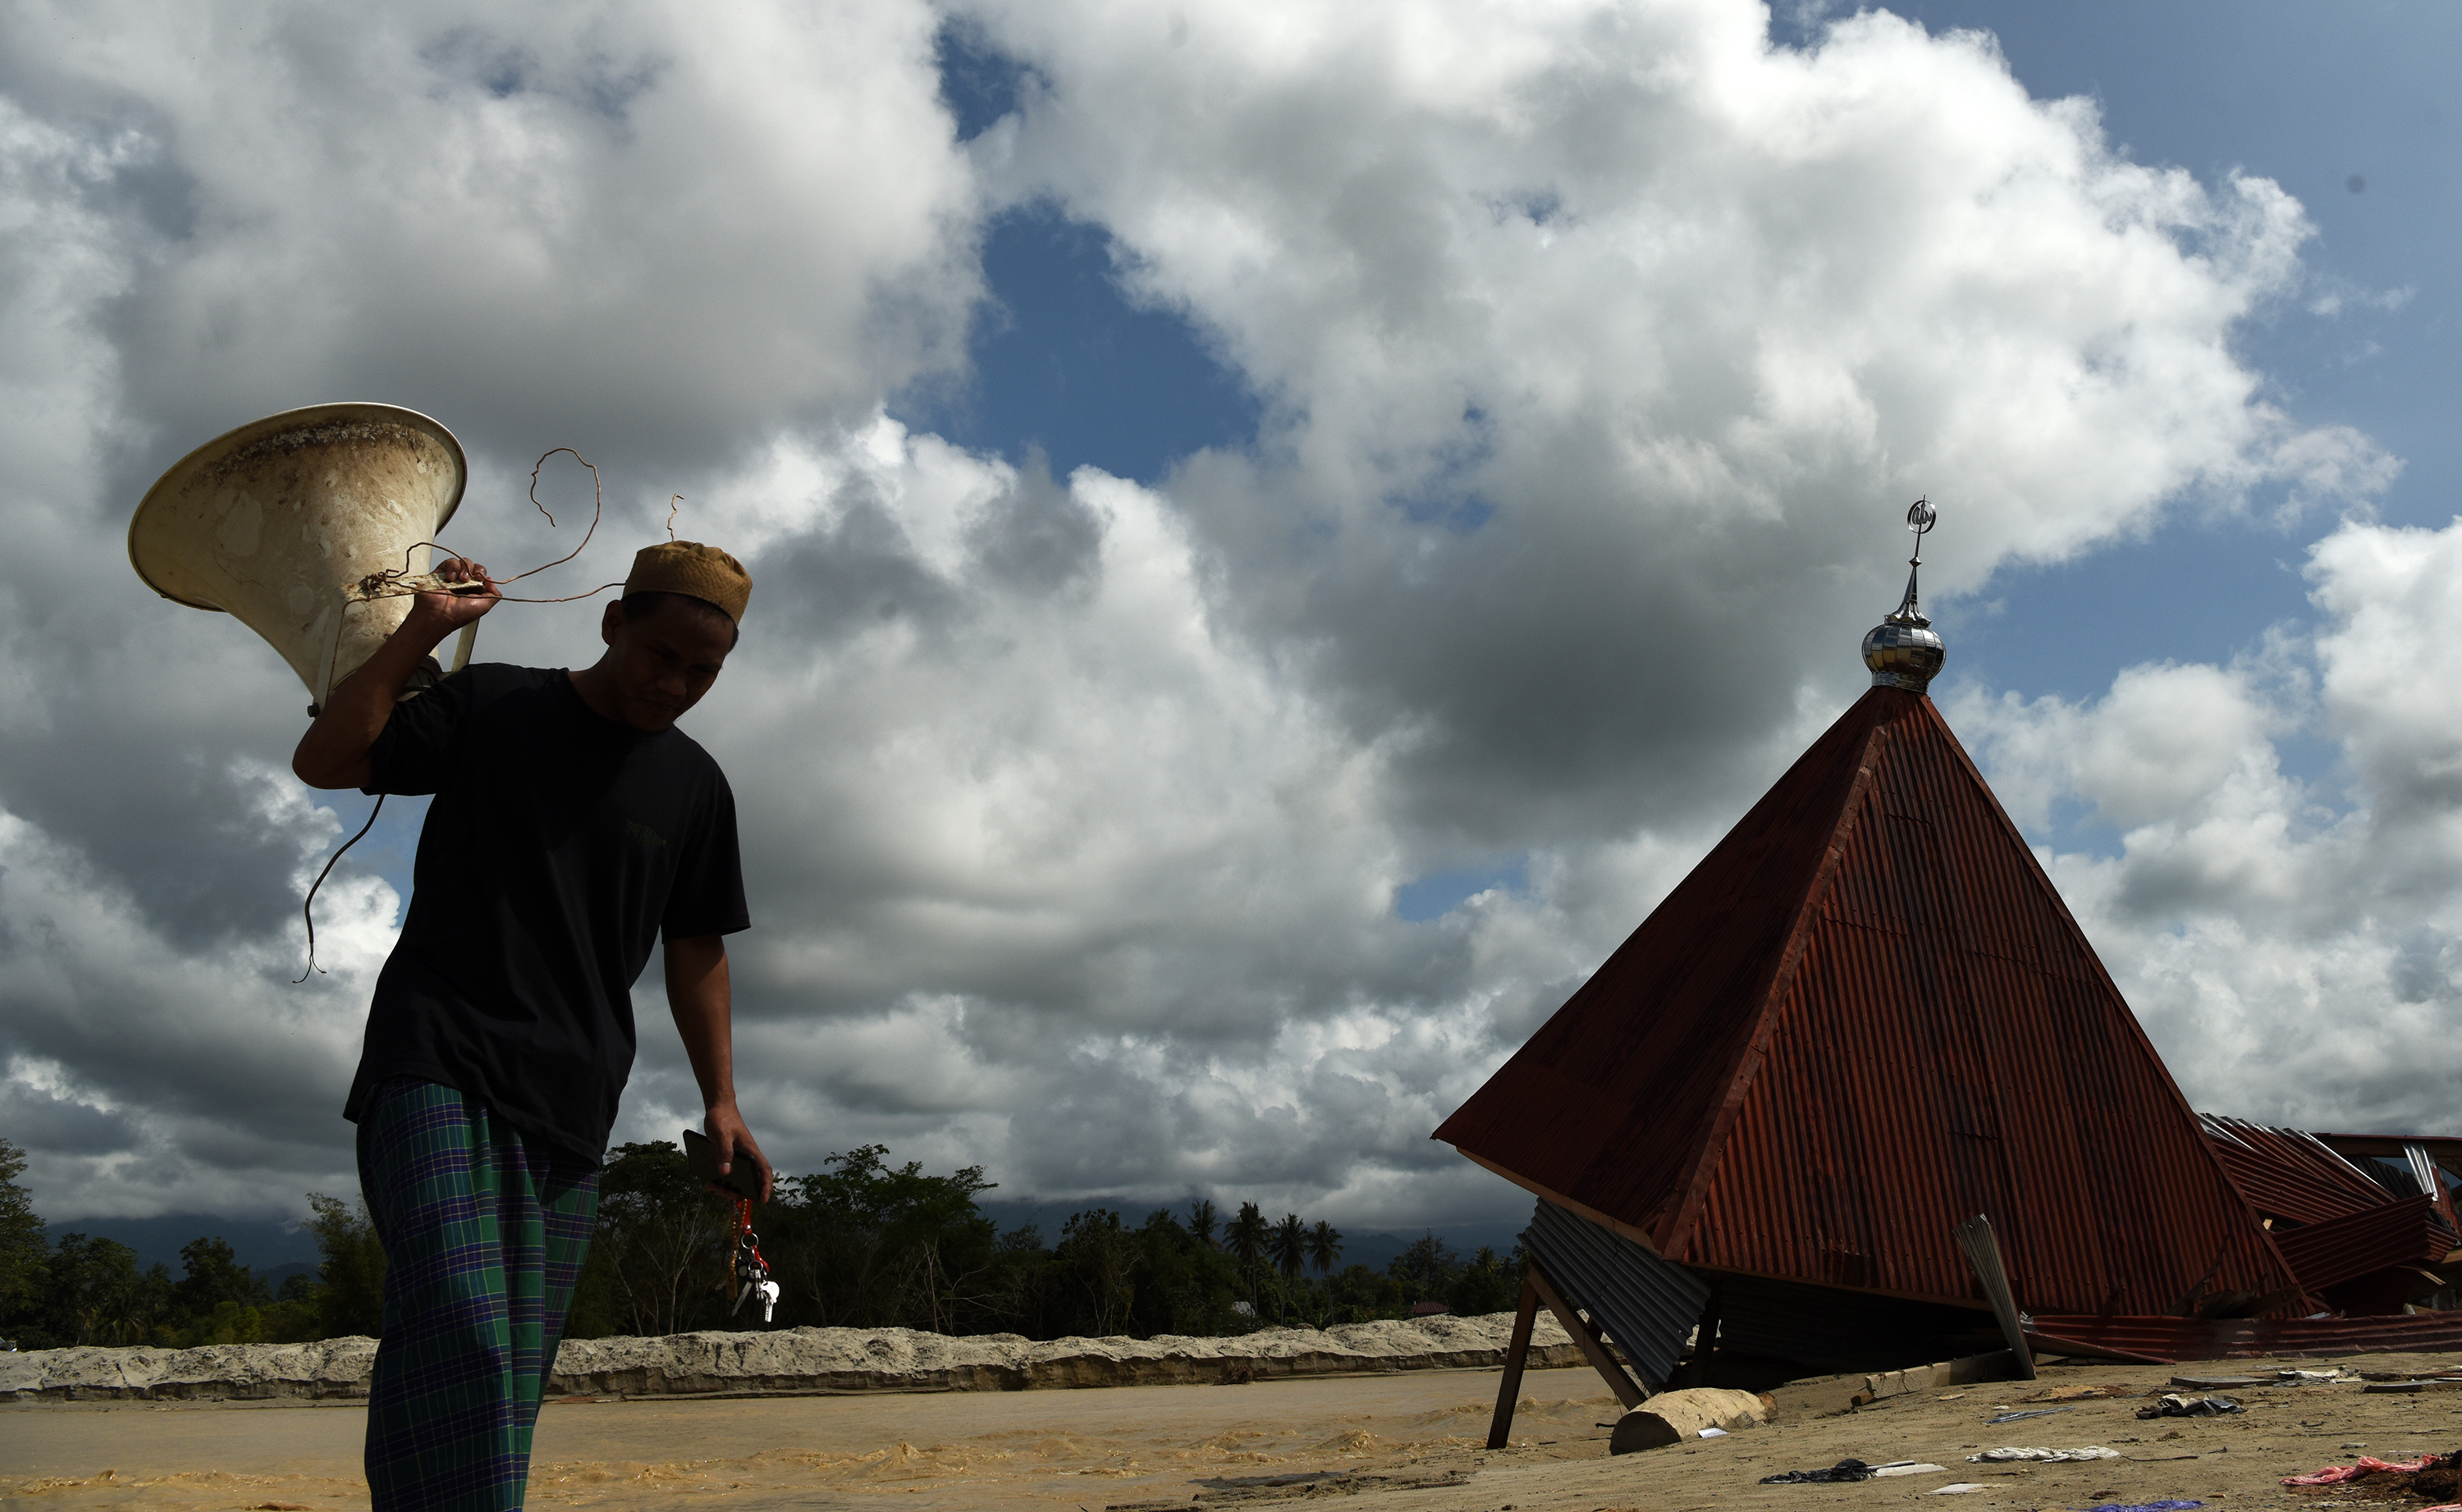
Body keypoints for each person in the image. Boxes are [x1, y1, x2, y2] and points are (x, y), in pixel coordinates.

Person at [292, 541, 771, 1512]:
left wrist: (722, 1100)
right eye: (662, 655)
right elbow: (327, 757)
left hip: (574, 1099)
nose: (677, 683)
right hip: (436, 1057)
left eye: (703, 671)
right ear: (613, 623)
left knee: (511, 1361)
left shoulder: (695, 787)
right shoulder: (496, 705)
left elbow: (696, 947)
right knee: (459, 1319)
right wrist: (425, 631)